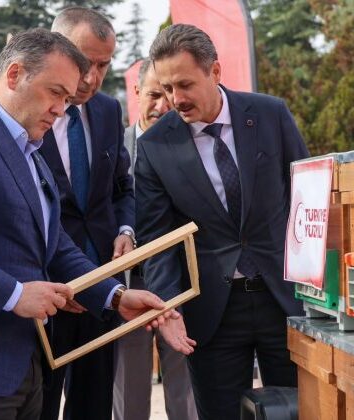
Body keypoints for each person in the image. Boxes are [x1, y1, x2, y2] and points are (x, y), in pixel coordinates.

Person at [0, 28, 190, 420]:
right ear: (14, 75)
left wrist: (116, 296)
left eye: (67, 98)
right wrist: (13, 294)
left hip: (25, 368)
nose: (61, 109)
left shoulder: (30, 151)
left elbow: (57, 245)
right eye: (55, 93)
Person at [136, 24, 309, 419]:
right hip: (213, 315)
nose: (175, 99)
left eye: (185, 84)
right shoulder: (155, 147)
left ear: (214, 71)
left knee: (301, 411)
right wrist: (168, 308)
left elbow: (306, 197)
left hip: (285, 299)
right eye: (166, 88)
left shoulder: (270, 115)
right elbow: (157, 239)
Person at [38, 7, 135, 420]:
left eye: (103, 65)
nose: (92, 78)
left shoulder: (109, 111)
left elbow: (122, 187)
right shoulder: (25, 115)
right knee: (40, 404)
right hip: (43, 293)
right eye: (83, 62)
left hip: (102, 287)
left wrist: (126, 230)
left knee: (94, 404)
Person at [113, 59, 198, 420]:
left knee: (186, 392)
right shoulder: (113, 146)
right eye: (152, 95)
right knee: (129, 391)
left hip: (179, 286)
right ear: (136, 92)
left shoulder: (191, 144)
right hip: (127, 287)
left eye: (167, 95)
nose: (161, 105)